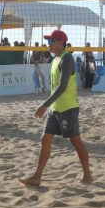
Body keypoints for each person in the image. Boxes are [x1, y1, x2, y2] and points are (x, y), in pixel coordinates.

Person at [20, 29, 92, 186]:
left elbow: (63, 87)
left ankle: (87, 174)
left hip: (68, 108)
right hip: (55, 108)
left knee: (76, 141)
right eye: (48, 41)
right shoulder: (55, 60)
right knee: (45, 139)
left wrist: (44, 105)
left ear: (60, 42)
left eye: (51, 41)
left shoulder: (67, 60)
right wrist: (50, 105)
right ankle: (37, 176)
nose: (48, 44)